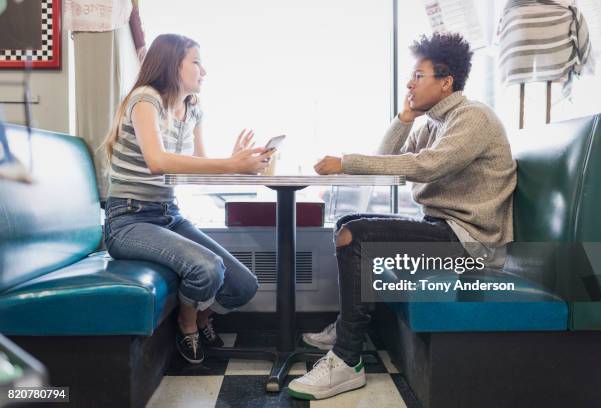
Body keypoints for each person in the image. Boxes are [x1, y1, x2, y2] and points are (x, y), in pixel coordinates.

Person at [288, 32, 517, 400]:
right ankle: (348, 328)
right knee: (348, 223)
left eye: (419, 75)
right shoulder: (430, 123)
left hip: (473, 243)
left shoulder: (473, 118)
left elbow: (426, 166)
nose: (410, 83)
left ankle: (347, 360)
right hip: (443, 229)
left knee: (356, 235)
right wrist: (405, 117)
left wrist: (345, 161)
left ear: (446, 83)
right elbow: (385, 163)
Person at [102, 34, 274, 364]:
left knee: (244, 285)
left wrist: (236, 164)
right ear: (172, 65)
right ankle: (188, 322)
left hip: (167, 213)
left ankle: (203, 315)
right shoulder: (145, 100)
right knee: (206, 268)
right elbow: (158, 161)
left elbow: (197, 169)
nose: (204, 71)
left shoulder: (193, 110)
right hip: (127, 219)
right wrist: (229, 164)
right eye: (196, 62)